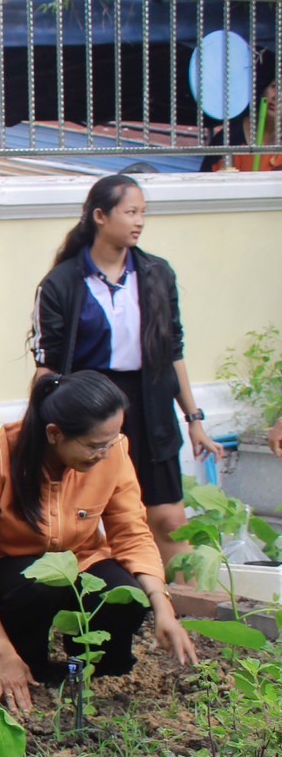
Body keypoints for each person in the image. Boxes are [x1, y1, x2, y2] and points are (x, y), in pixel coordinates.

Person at [0, 372, 198, 716]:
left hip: (81, 559)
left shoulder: (113, 452)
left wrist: (162, 606)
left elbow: (132, 534)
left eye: (113, 441)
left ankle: (97, 674)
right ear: (54, 434)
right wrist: (4, 654)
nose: (105, 453)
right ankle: (24, 662)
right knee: (40, 587)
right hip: (13, 571)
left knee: (127, 596)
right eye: (95, 446)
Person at [32, 175, 225, 567]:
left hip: (151, 402)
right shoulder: (63, 283)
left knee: (169, 517)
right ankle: (117, 602)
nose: (139, 221)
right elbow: (47, 363)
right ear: (100, 216)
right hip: (92, 404)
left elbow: (174, 350)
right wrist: (41, 422)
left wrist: (194, 419)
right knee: (92, 520)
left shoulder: (156, 273)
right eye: (131, 212)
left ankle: (179, 610)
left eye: (143, 213)